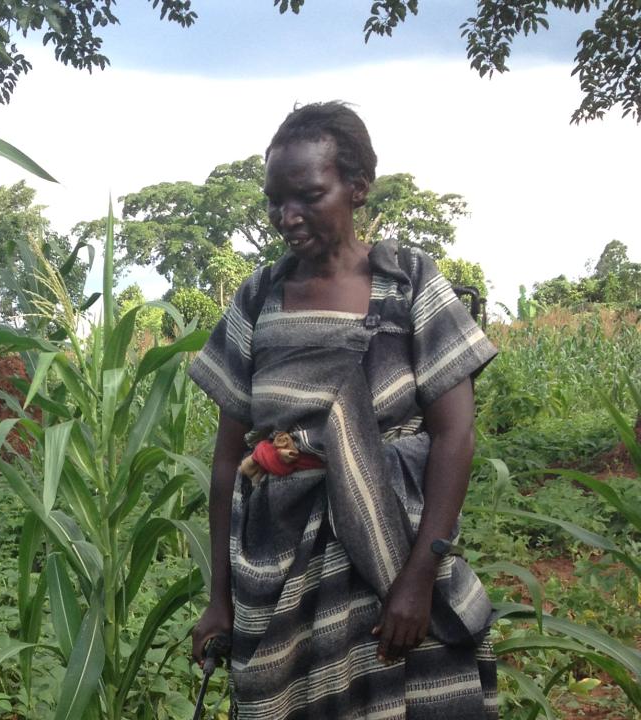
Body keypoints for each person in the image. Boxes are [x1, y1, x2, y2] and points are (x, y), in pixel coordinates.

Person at [188, 101, 499, 719]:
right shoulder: (258, 299)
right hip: (278, 568)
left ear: (357, 188)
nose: (287, 217)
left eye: (308, 196)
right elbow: (228, 462)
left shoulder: (408, 283)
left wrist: (417, 578)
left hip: (392, 556)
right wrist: (218, 599)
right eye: (275, 201)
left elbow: (454, 436)